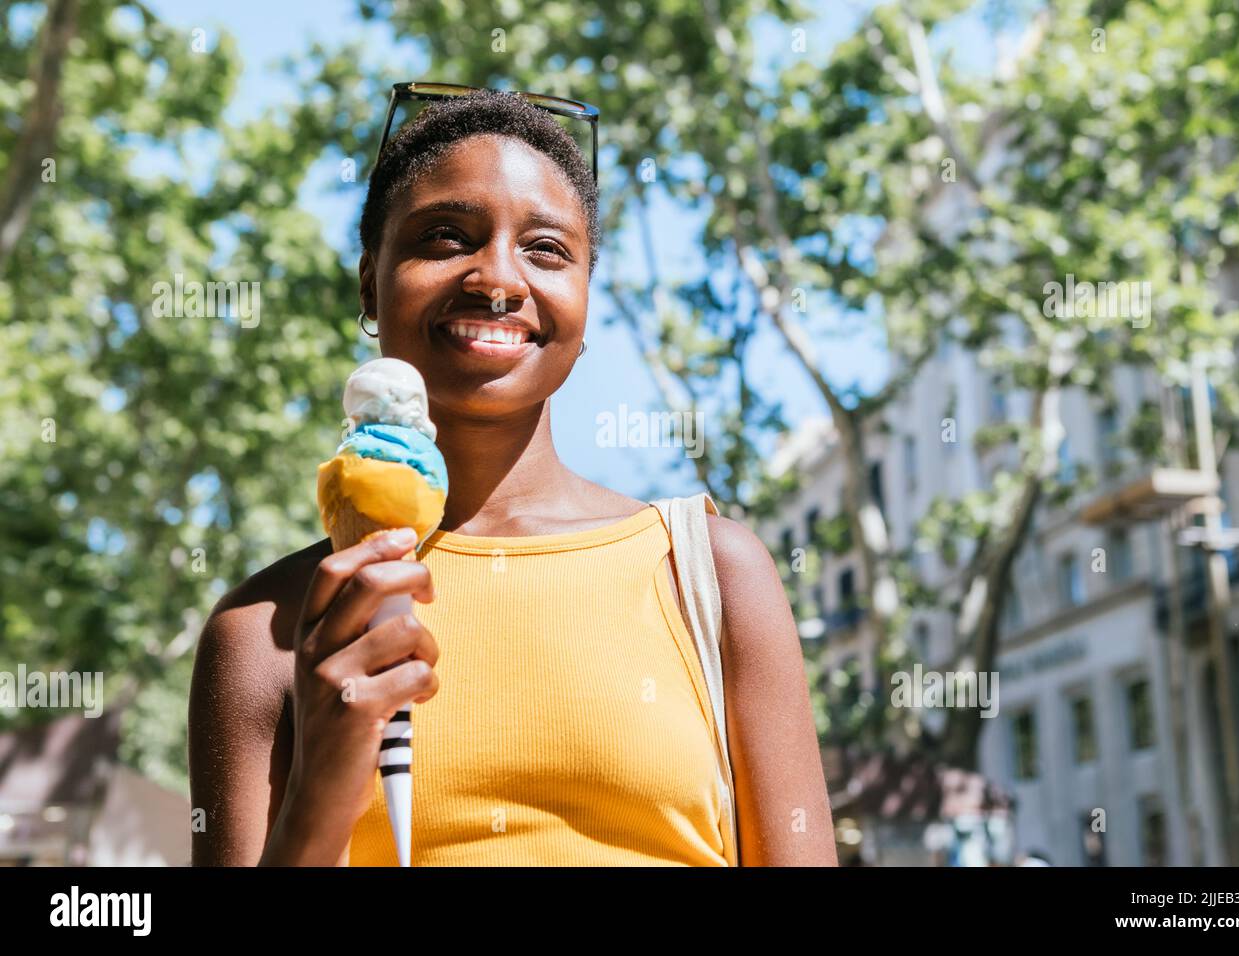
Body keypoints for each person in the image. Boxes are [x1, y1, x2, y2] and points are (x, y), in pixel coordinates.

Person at [188, 88, 837, 866]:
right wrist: (322, 789)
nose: (497, 277)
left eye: (547, 249)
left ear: (586, 299)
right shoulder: (265, 632)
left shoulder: (711, 575)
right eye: (444, 237)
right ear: (370, 284)